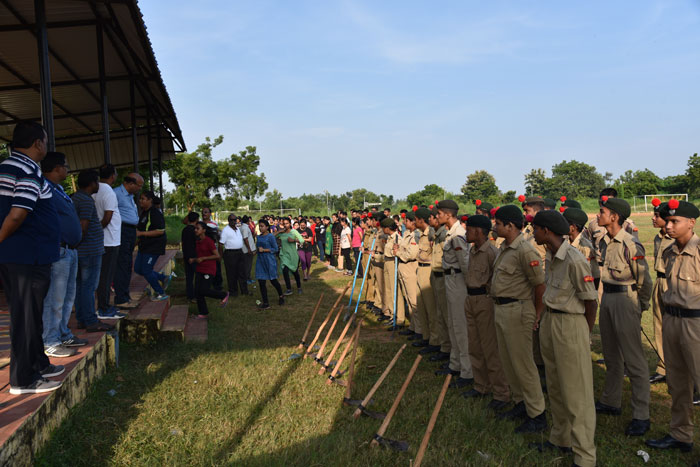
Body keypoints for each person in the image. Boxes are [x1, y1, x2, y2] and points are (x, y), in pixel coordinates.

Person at [0, 122, 64, 395]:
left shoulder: (9, 166)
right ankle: (23, 379)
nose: (46, 147)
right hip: (26, 257)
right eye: (46, 141)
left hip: (27, 256)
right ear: (38, 143)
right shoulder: (26, 169)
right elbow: (17, 213)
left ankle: (38, 363)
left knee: (32, 315)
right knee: (25, 316)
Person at [531, 210, 598, 466]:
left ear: (546, 231)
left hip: (570, 324)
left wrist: (583, 332)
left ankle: (584, 456)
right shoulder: (550, 254)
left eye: (536, 228)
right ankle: (560, 439)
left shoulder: (574, 259)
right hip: (550, 320)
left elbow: (590, 301)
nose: (533, 232)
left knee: (577, 393)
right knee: (557, 386)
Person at [645, 200, 700, 460]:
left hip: (695, 324)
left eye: (674, 221)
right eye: (667, 221)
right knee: (678, 384)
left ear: (691, 222)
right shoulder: (668, 252)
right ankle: (680, 434)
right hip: (672, 321)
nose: (668, 226)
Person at [595, 196, 652, 437]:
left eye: (602, 212)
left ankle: (641, 415)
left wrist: (639, 306)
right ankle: (611, 401)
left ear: (614, 217)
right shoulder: (604, 241)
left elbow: (644, 280)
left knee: (634, 359)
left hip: (625, 300)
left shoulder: (630, 244)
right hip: (607, 298)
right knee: (611, 354)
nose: (598, 215)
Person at [490, 205, 547, 433]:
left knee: (523, 365)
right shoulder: (506, 247)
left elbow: (539, 285)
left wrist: (537, 313)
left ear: (510, 226)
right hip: (503, 309)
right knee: (509, 361)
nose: (495, 227)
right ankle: (520, 403)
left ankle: (537, 413)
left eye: (498, 223)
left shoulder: (525, 250)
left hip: (518, 311)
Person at [462, 215, 510, 409]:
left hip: (485, 300)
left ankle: (501, 392)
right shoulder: (473, 250)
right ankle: (481, 385)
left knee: (491, 349)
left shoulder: (491, 252)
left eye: (469, 229)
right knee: (474, 345)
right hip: (470, 299)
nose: (466, 233)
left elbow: (496, 279)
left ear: (479, 231)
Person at [41, 152, 87, 359]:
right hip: (57, 249)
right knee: (55, 298)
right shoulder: (44, 187)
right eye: (65, 166)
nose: (67, 170)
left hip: (70, 249)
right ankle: (49, 340)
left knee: (68, 296)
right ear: (57, 168)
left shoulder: (59, 189)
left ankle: (63, 334)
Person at [434, 200, 473, 389]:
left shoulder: (458, 235)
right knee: (452, 324)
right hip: (450, 280)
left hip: (458, 281)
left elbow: (465, 264)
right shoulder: (451, 233)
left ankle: (467, 372)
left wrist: (469, 287)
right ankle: (455, 364)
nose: (437, 217)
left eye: (439, 214)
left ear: (448, 215)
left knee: (460, 327)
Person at [73, 170, 113, 332]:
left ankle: (82, 318)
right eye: (97, 182)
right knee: (89, 287)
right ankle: (90, 320)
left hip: (82, 251)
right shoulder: (86, 201)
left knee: (80, 287)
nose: (98, 185)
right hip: (89, 251)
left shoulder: (75, 198)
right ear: (91, 183)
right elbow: (83, 227)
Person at [648, 198, 674, 385]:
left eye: (657, 216)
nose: (653, 218)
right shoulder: (658, 237)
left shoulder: (676, 238)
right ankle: (663, 367)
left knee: (678, 329)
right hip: (659, 280)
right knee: (659, 324)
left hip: (673, 284)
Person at [93, 164, 123, 319]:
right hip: (109, 240)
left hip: (105, 239)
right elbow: (107, 217)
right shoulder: (108, 191)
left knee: (103, 275)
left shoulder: (96, 189)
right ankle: (104, 308)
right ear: (113, 175)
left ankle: (105, 306)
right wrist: (98, 232)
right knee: (106, 276)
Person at [113, 173, 144, 309]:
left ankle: (125, 295)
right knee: (122, 264)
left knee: (127, 265)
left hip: (130, 230)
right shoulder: (116, 194)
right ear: (130, 183)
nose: (139, 189)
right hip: (122, 230)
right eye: (139, 186)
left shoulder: (130, 196)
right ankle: (120, 298)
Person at [134, 190, 170, 302]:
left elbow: (160, 231)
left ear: (150, 200)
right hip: (144, 246)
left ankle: (160, 292)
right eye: (140, 198)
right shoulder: (144, 213)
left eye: (143, 199)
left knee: (146, 270)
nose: (140, 201)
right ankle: (162, 278)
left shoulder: (155, 213)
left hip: (153, 246)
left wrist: (141, 234)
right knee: (138, 269)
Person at [190, 221, 229, 318]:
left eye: (197, 228)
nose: (195, 230)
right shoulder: (198, 241)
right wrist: (194, 259)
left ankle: (223, 295)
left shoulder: (208, 241)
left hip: (208, 269)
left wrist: (204, 258)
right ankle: (203, 313)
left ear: (203, 230)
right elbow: (200, 256)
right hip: (200, 269)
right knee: (198, 291)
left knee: (204, 290)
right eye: (195, 228)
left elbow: (217, 256)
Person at [429, 207, 451, 363]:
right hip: (436, 276)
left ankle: (449, 350)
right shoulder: (438, 234)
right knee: (440, 314)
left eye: (437, 216)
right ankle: (444, 347)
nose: (434, 219)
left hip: (445, 277)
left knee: (446, 315)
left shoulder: (446, 235)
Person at [255, 219, 284, 309]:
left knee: (273, 280)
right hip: (260, 261)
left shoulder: (270, 236)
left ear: (267, 227)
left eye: (262, 226)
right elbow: (258, 248)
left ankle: (281, 296)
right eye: (259, 226)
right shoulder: (259, 237)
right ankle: (266, 302)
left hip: (269, 260)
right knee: (261, 281)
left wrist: (264, 250)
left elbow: (275, 249)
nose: (260, 228)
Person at [381, 216, 404, 327]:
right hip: (387, 263)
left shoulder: (397, 238)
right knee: (389, 290)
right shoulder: (390, 238)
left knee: (396, 291)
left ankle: (399, 318)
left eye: (384, 228)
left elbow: (397, 252)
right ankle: (392, 314)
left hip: (393, 264)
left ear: (388, 228)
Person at [220, 214, 250, 297]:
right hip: (230, 253)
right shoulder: (226, 230)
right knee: (231, 274)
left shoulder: (237, 229)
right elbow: (220, 244)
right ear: (228, 220)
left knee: (242, 272)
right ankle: (233, 292)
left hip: (239, 252)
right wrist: (222, 256)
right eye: (231, 220)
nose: (233, 221)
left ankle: (244, 290)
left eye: (234, 219)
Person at [277, 218, 303, 294]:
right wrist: (279, 231)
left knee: (295, 271)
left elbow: (302, 240)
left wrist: (294, 240)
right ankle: (289, 289)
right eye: (284, 223)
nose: (285, 225)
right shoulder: (281, 233)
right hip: (284, 255)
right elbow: (272, 236)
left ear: (290, 224)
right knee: (285, 271)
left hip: (293, 255)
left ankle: (299, 287)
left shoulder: (293, 232)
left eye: (287, 223)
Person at [202, 207, 223, 290]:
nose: (204, 214)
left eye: (206, 212)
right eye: (203, 212)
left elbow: (218, 237)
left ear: (210, 214)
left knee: (216, 268)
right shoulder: (199, 224)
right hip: (203, 250)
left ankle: (217, 285)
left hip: (214, 249)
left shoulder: (214, 224)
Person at [181, 212, 199, 302]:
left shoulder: (184, 230)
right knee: (198, 276)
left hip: (186, 255)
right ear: (197, 220)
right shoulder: (195, 231)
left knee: (189, 277)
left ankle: (190, 295)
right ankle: (197, 295)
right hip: (194, 256)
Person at [240, 215, 256, 284]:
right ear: (248, 221)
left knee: (247, 265)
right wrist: (249, 248)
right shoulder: (245, 228)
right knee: (247, 265)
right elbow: (245, 238)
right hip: (246, 250)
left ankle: (248, 278)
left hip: (246, 249)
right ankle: (247, 279)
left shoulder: (243, 227)